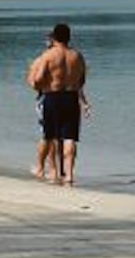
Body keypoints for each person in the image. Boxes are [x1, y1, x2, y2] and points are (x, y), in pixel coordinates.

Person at [25, 22, 88, 185]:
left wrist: (38, 85)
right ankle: (69, 175)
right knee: (70, 138)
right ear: (69, 37)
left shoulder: (48, 56)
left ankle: (43, 168)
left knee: (49, 135)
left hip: (52, 97)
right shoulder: (77, 56)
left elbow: (38, 79)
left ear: (54, 37)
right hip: (71, 98)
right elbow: (82, 80)